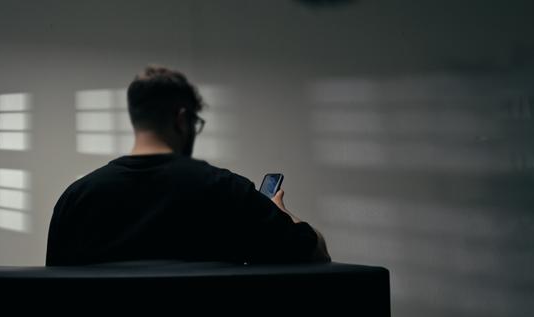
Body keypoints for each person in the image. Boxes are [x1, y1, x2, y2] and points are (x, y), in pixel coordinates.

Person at [46, 65, 330, 266]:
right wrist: (283, 214)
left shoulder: (75, 200)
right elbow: (315, 253)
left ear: (136, 119)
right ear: (182, 119)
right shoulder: (227, 191)